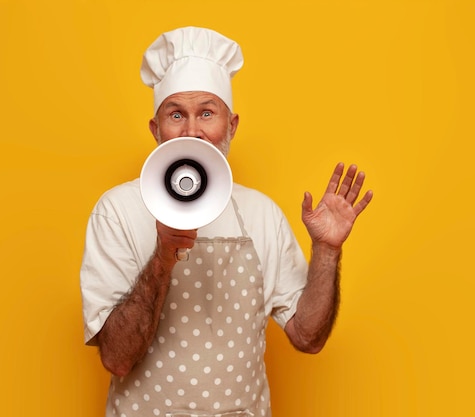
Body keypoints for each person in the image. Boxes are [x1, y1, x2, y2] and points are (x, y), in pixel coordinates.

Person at [80, 26, 373, 417]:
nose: (192, 131)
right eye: (175, 115)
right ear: (156, 130)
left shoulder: (261, 214)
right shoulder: (116, 211)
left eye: (206, 113)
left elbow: (308, 337)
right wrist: (164, 255)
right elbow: (116, 359)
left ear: (231, 126)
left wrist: (327, 250)